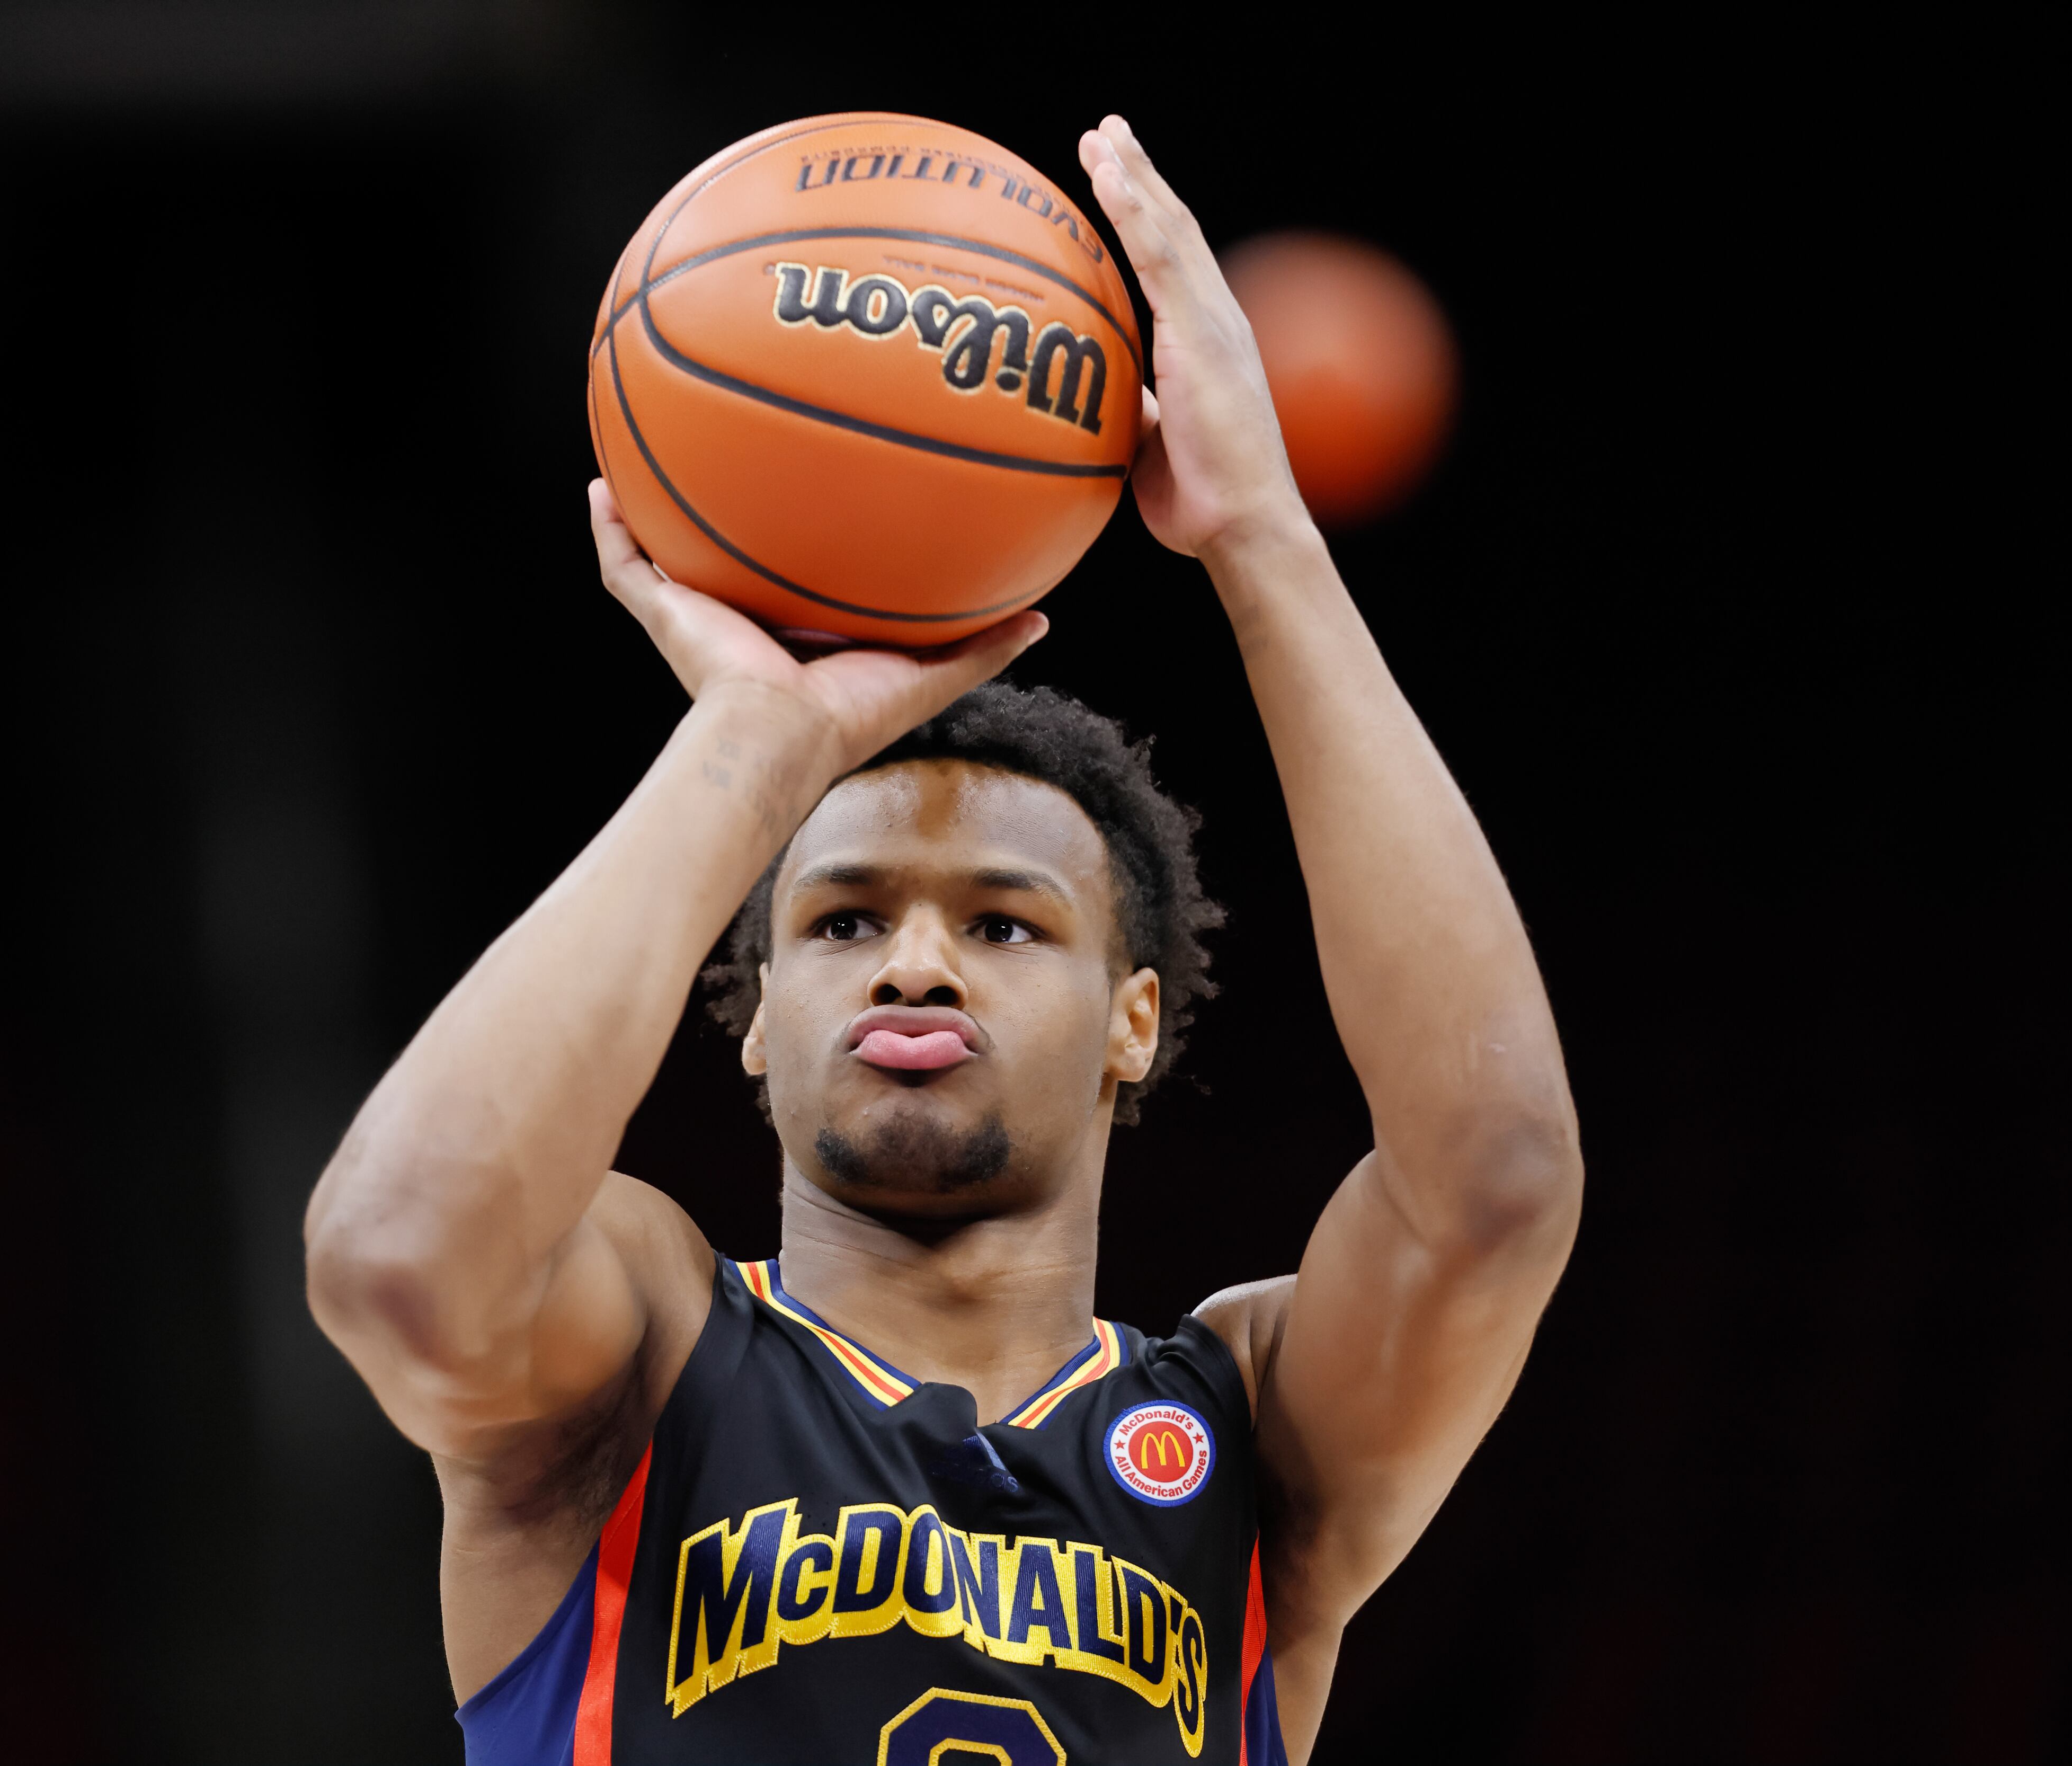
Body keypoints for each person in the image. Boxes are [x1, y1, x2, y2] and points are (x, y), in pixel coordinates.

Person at [304, 117, 1580, 1765]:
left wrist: (1264, 542)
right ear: (758, 1017)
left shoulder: (1246, 1434)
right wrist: (752, 744)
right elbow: (396, 1255)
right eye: (842, 920)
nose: (917, 961)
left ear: (1135, 1018)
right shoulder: (642, 1359)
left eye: (1002, 920)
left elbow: (1497, 1183)